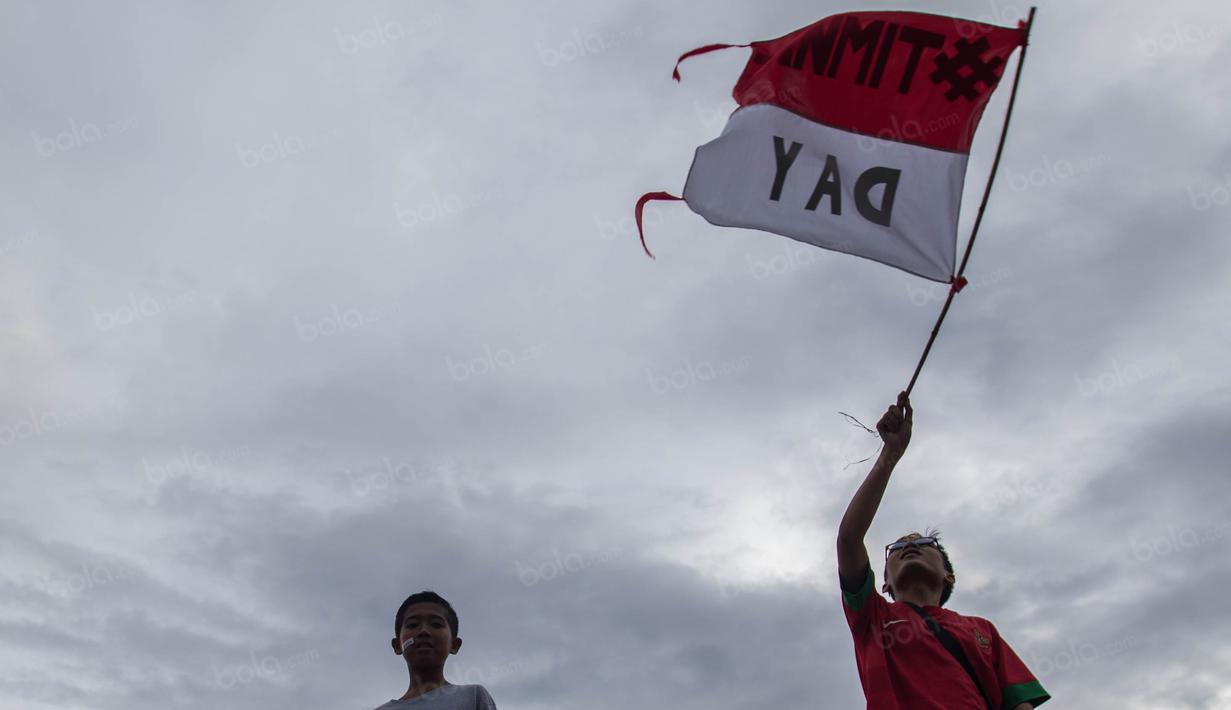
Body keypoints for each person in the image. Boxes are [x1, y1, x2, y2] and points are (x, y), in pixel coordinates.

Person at [835, 392, 1049, 709]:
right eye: (896, 548)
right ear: (885, 585)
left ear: (947, 575)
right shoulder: (873, 619)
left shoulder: (982, 631)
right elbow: (849, 539)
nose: (909, 546)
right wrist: (890, 454)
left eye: (923, 543)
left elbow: (1020, 705)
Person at [372, 591, 498, 710]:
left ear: (454, 645)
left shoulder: (473, 697)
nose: (423, 631)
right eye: (412, 625)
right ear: (397, 645)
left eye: (436, 624)